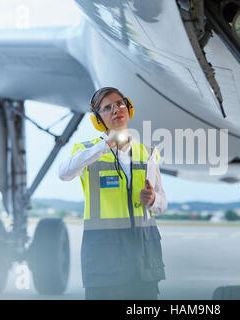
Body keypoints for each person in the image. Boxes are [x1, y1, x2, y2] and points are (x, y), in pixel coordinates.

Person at [58, 87, 167, 299]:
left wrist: (153, 200)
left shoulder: (148, 152)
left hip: (144, 258)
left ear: (129, 108)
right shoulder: (88, 151)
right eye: (107, 107)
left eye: (120, 103)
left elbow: (162, 204)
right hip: (105, 259)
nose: (116, 109)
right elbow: (64, 173)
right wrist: (105, 145)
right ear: (98, 120)